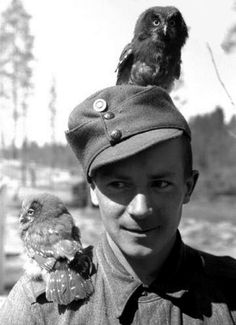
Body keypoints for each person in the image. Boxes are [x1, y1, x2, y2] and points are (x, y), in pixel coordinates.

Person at [1, 85, 236, 324]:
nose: (141, 209)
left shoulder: (230, 294)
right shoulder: (39, 308)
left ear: (189, 187)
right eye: (119, 185)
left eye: (161, 184)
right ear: (93, 191)